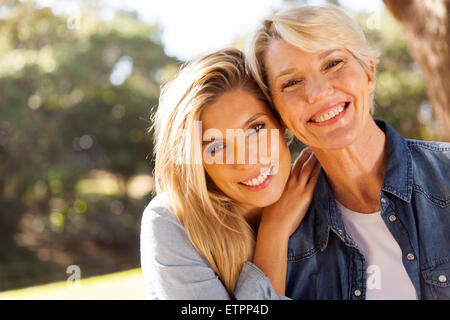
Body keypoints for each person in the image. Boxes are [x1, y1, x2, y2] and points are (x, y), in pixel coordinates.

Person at [246, 5, 450, 300]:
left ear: (369, 72)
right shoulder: (276, 237)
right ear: (277, 114)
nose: (317, 92)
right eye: (291, 82)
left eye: (332, 63)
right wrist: (273, 233)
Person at [140, 48, 319, 299]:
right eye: (216, 147)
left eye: (255, 129)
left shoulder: (323, 192)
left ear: (280, 121)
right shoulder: (172, 221)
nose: (247, 161)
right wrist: (274, 231)